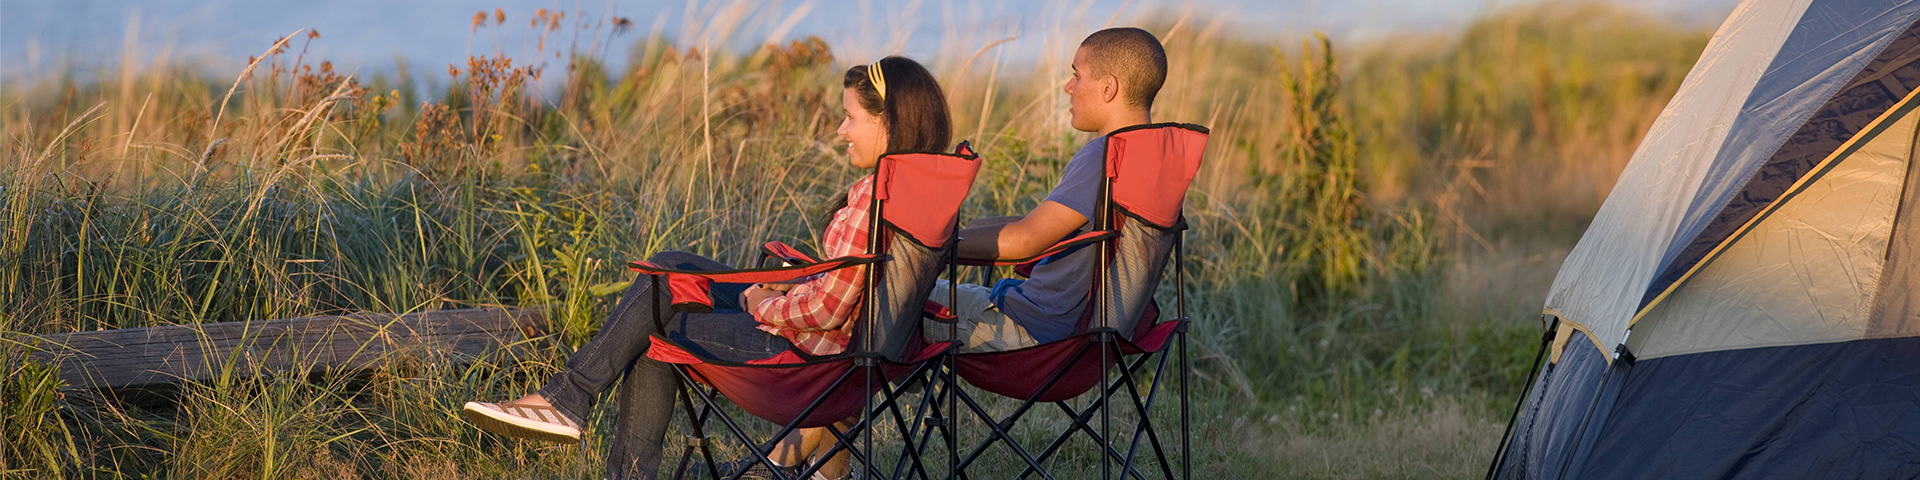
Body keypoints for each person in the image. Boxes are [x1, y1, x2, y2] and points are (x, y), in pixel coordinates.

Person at [462, 56, 954, 480]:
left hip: (810, 360)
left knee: (659, 323)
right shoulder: (922, 193)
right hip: (859, 353)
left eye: (850, 118)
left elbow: (828, 309)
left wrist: (766, 303)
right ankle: (567, 400)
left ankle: (570, 405)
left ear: (887, 123)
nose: (841, 130)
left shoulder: (874, 199)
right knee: (672, 268)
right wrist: (783, 290)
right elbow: (854, 289)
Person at [928, 27, 1168, 352]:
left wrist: (926, 245)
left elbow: (1025, 241)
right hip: (1095, 334)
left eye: (1077, 76)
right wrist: (969, 231)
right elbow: (1058, 228)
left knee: (875, 297)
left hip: (1032, 332)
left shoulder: (1106, 156)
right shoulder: (1156, 158)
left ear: (1108, 87)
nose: (1069, 87)